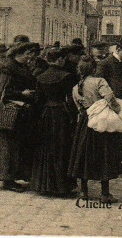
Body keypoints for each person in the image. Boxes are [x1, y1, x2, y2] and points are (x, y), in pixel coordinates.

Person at [0, 42, 39, 192]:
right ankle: (7, 180)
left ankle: (15, 176)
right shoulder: (8, 68)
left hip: (18, 114)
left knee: (16, 147)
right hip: (9, 113)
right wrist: (22, 94)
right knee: (7, 148)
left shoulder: (21, 66)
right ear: (18, 53)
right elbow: (3, 92)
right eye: (28, 54)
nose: (30, 57)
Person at [68, 56, 122, 203]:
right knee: (103, 154)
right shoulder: (100, 82)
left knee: (84, 154)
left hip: (85, 122)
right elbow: (110, 98)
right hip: (101, 122)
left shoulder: (76, 87)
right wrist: (118, 111)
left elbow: (79, 107)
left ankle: (84, 191)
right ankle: (105, 193)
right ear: (94, 69)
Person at [29, 47, 79, 196]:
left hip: (46, 114)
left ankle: (44, 185)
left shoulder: (40, 76)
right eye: (63, 59)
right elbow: (71, 100)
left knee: (45, 148)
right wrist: (73, 116)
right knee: (61, 148)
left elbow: (37, 100)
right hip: (61, 114)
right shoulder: (66, 76)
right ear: (59, 60)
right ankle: (61, 186)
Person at [96, 36, 122, 174]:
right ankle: (109, 165)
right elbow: (100, 84)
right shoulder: (105, 64)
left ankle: (117, 163)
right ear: (118, 49)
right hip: (113, 105)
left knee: (120, 135)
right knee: (111, 136)